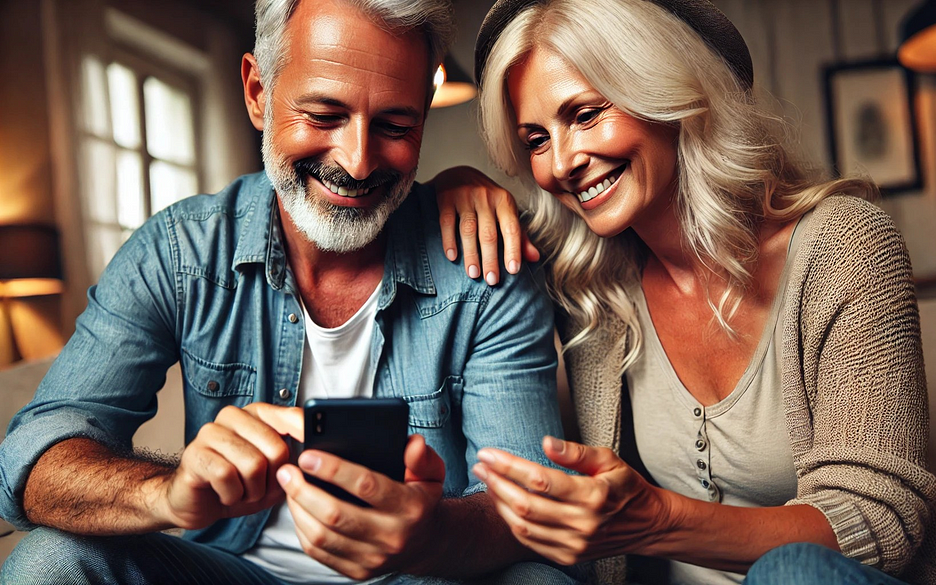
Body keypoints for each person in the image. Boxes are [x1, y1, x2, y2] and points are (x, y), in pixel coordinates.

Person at [0, 0, 578, 583]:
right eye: (324, 115)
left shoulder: (487, 258)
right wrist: (169, 493)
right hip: (227, 570)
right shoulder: (180, 252)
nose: (357, 162)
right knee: (51, 560)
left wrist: (428, 537)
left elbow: (533, 504)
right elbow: (32, 462)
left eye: (395, 125)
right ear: (257, 92)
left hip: (423, 574)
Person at [456, 0, 936, 583]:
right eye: (536, 139)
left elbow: (878, 518)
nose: (562, 162)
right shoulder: (583, 279)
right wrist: (456, 185)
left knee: (792, 572)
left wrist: (656, 520)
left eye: (586, 115)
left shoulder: (845, 245)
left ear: (666, 93)